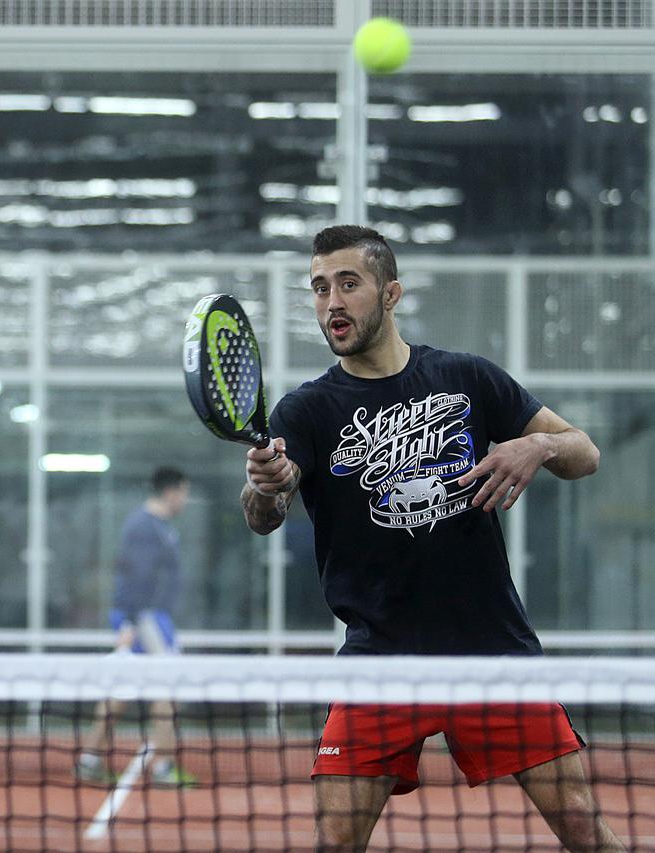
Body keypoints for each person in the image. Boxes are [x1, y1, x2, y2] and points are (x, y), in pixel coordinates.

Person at [241, 225, 625, 852]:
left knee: (583, 825)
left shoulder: (466, 376)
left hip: (491, 653)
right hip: (379, 662)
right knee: (335, 839)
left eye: (348, 283)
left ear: (390, 294)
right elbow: (265, 514)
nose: (331, 302)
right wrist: (264, 486)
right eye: (318, 288)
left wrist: (540, 443)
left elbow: (585, 453)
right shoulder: (304, 412)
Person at [76, 466, 195, 788]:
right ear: (171, 492)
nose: (185, 499)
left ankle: (90, 759)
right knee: (167, 688)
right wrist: (130, 620)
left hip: (149, 617)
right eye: (184, 493)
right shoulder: (145, 528)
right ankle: (164, 767)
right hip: (146, 618)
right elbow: (135, 576)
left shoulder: (160, 527)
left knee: (124, 687)